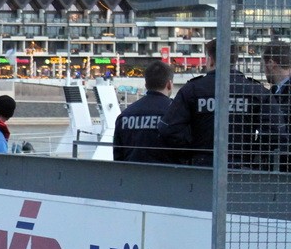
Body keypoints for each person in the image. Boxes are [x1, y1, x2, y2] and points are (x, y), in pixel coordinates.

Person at [158, 39, 286, 168]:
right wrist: (252, 153)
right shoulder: (257, 91)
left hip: (202, 167)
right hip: (242, 168)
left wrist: (192, 149)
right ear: (235, 60)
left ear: (211, 59)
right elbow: (275, 132)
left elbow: (168, 128)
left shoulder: (192, 90)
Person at [112, 60, 174, 163]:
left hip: (131, 176)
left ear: (146, 85)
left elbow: (118, 158)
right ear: (169, 85)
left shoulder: (125, 116)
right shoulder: (176, 113)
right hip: (167, 177)